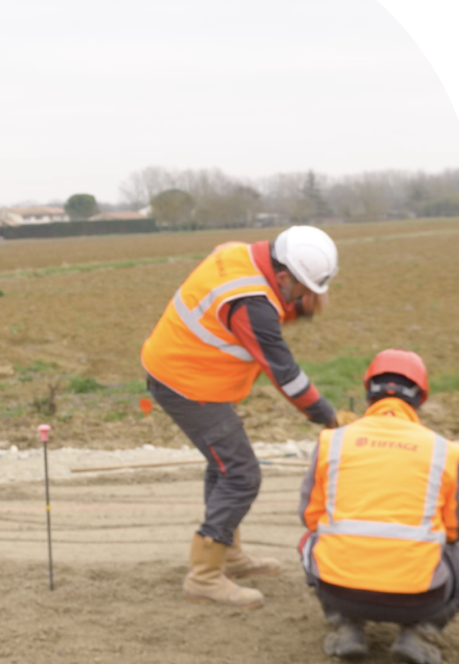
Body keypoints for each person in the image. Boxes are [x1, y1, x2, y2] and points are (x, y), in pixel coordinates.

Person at [141, 225, 340, 609]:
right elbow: (284, 373)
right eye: (305, 290)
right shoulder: (251, 304)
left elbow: (263, 307)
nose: (309, 299)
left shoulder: (239, 253)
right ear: (283, 276)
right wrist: (327, 415)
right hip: (186, 383)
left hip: (188, 370)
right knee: (241, 473)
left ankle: (228, 555)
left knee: (225, 465)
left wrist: (298, 304)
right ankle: (204, 576)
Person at [300, 350, 459, 664]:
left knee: (309, 542)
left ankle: (346, 627)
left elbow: (310, 518)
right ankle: (419, 634)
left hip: (339, 591)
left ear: (369, 394)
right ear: (420, 397)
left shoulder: (332, 441)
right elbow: (455, 530)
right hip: (419, 599)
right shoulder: (444, 451)